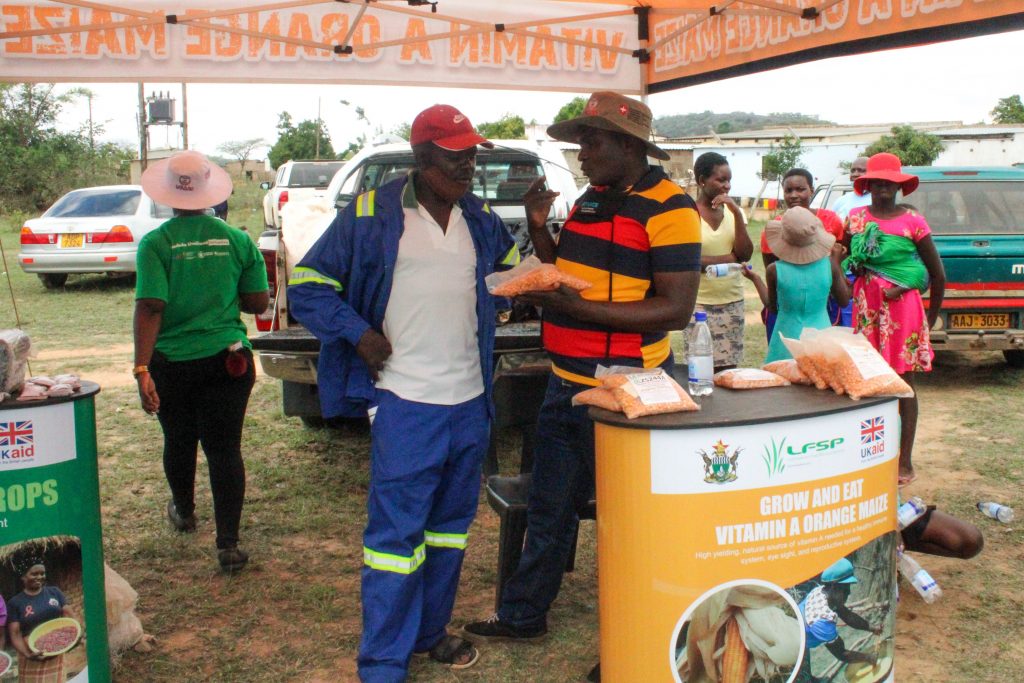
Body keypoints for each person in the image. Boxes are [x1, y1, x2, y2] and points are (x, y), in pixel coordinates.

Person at [463, 92, 702, 680]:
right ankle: (524, 614)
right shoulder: (592, 199)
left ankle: (641, 634)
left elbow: (674, 309)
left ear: (629, 145)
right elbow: (570, 273)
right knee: (549, 504)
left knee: (633, 520)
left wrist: (575, 310)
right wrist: (542, 233)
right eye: (579, 143)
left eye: (590, 143)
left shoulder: (671, 209)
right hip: (566, 382)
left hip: (632, 386)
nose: (581, 154)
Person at [287, 104, 520, 681]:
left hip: (470, 400)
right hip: (405, 401)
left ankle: (429, 633)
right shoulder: (370, 214)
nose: (467, 167)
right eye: (454, 156)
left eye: (471, 156)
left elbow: (510, 272)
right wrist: (359, 333)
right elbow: (309, 287)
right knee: (395, 538)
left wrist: (528, 257)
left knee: (448, 529)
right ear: (422, 157)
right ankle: (384, 662)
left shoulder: (479, 217)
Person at [134, 150, 269, 573]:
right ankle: (228, 543)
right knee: (225, 448)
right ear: (211, 191)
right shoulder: (237, 239)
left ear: (169, 194)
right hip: (228, 360)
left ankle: (185, 511)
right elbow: (256, 302)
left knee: (178, 438)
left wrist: (141, 369)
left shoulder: (156, 243)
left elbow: (151, 307)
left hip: (171, 362)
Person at [844, 152, 945, 486]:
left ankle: (905, 460)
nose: (884, 188)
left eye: (890, 182)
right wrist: (857, 268)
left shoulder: (912, 221)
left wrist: (928, 320)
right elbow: (850, 260)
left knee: (904, 385)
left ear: (899, 186)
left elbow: (937, 274)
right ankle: (871, 456)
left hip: (904, 313)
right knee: (870, 383)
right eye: (878, 182)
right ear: (868, 184)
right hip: (867, 310)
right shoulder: (856, 218)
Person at [760, 168, 848, 336]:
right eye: (788, 190)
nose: (794, 195)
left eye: (800, 189)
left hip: (825, 302)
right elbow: (773, 272)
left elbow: (842, 253)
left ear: (812, 190)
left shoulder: (832, 220)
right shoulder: (774, 232)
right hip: (790, 305)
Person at [759, 207, 850, 363]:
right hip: (821, 336)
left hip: (785, 339)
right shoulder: (829, 265)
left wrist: (754, 278)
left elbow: (772, 307)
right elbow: (844, 300)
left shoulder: (774, 270)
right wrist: (838, 263)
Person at [690, 152, 753, 372]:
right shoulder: (687, 213)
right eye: (720, 180)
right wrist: (730, 258)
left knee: (729, 370)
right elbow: (688, 260)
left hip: (731, 300)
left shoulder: (734, 213)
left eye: (729, 180)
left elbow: (744, 254)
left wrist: (735, 212)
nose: (726, 186)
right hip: (698, 302)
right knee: (701, 368)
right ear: (701, 181)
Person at [796, 558, 883, 683]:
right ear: (832, 587)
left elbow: (847, 615)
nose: (849, 592)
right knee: (801, 676)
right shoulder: (821, 621)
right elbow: (842, 654)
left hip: (801, 633)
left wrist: (872, 627)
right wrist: (868, 658)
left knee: (806, 674)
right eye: (845, 588)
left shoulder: (823, 592)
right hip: (795, 644)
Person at [6, 559, 76, 683]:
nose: (39, 577)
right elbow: (15, 633)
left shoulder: (54, 592)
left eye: (42, 573)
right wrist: (28, 654)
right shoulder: (15, 602)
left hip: (55, 648)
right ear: (23, 577)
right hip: (31, 652)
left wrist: (74, 635)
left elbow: (69, 615)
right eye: (34, 574)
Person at [831, 156, 871, 221]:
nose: (855, 174)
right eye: (852, 171)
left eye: (861, 170)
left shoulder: (879, 200)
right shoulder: (840, 201)